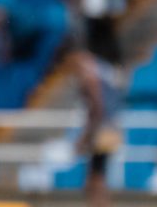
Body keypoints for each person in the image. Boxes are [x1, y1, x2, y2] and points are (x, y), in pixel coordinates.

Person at [71, 47, 119, 207]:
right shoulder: (104, 76)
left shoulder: (91, 79)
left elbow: (97, 110)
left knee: (95, 179)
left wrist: (86, 136)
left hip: (102, 131)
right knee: (98, 175)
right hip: (110, 128)